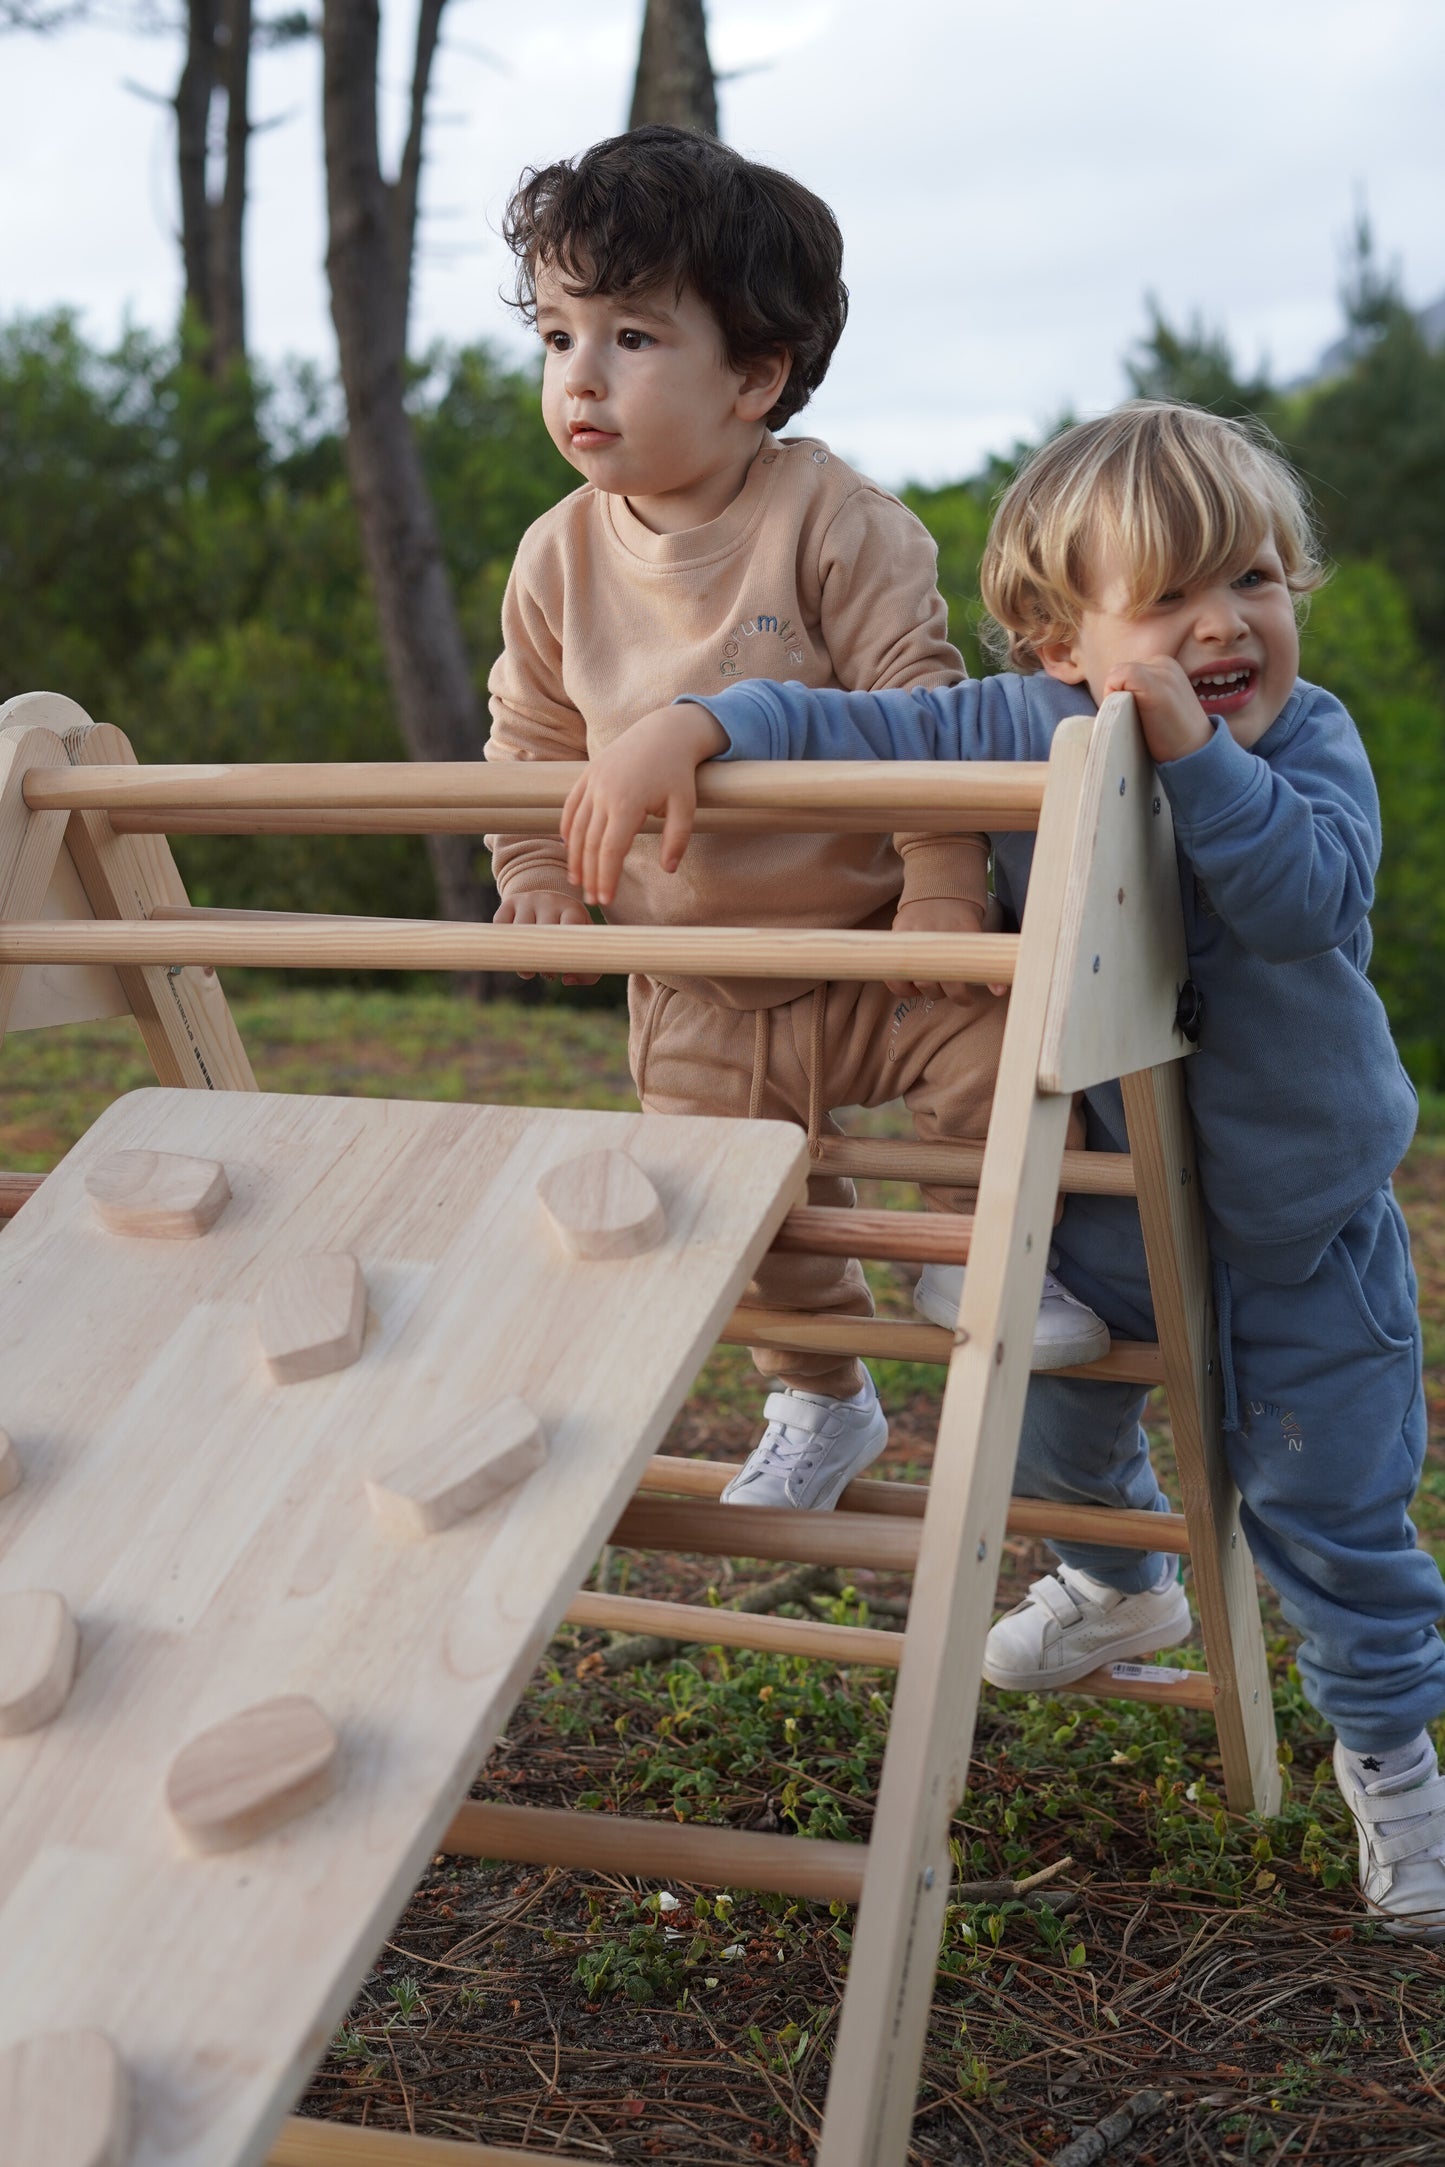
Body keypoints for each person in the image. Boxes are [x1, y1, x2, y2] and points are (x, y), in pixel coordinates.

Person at [560, 400, 1445, 1938]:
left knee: (1336, 1513)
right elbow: (852, 728)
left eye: (1249, 580)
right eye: (1166, 600)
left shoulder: (1305, 743)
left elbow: (1306, 902)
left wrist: (1180, 745)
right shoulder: (1010, 723)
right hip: (1104, 1212)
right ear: (1053, 639)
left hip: (1303, 1228)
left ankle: (1393, 1763)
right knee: (1047, 1419)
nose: (1221, 624)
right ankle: (1113, 1587)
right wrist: (693, 725)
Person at [484, 124, 1108, 1514]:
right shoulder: (554, 556)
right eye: (555, 335)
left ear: (754, 375)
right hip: (699, 975)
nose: (580, 377)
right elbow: (527, 732)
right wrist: (530, 864)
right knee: (729, 1209)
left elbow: (923, 710)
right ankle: (820, 1397)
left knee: (995, 1057)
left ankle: (967, 1241)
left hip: (874, 933)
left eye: (632, 336)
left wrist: (945, 892)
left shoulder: (834, 519)